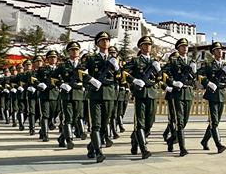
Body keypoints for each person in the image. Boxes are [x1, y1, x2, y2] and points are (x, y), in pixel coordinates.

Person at [84, 31, 119, 163]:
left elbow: (119, 78)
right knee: (96, 125)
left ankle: (91, 146)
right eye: (102, 40)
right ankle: (99, 152)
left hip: (109, 93)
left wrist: (117, 68)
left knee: (105, 124)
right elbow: (80, 71)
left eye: (107, 40)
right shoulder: (91, 59)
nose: (105, 42)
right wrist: (91, 79)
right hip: (96, 94)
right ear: (97, 43)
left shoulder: (113, 59)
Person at [126, 35, 158, 160]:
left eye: (149, 45)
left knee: (149, 122)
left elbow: (159, 78)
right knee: (140, 122)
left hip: (152, 93)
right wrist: (134, 81)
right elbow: (124, 72)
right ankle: (144, 149)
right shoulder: (135, 60)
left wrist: (159, 71)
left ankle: (135, 139)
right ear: (140, 47)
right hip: (140, 94)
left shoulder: (154, 61)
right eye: (145, 44)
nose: (148, 47)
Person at [163, 38, 197, 157]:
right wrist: (172, 83)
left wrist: (194, 71)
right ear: (178, 48)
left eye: (186, 46)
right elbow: (164, 74)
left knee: (185, 121)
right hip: (177, 94)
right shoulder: (173, 61)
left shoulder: (191, 61)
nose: (185, 48)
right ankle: (183, 148)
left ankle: (171, 140)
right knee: (179, 121)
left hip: (188, 93)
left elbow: (194, 78)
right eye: (182, 46)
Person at [197, 41, 226, 153]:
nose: (220, 51)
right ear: (213, 52)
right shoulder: (209, 64)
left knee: (215, 122)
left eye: (221, 49)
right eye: (217, 49)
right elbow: (199, 74)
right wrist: (208, 83)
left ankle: (204, 141)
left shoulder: (225, 66)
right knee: (214, 121)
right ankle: (219, 144)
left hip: (222, 94)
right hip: (212, 95)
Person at [56, 41, 88, 150]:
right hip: (67, 94)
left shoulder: (83, 66)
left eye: (76, 50)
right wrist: (61, 84)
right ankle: (69, 140)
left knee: (76, 117)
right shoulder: (63, 66)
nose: (75, 52)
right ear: (68, 52)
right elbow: (52, 78)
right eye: (72, 50)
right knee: (68, 117)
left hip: (79, 94)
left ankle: (61, 138)